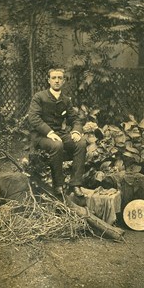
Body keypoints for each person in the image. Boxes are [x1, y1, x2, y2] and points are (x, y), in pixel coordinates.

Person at [28, 68, 87, 197]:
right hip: (41, 136)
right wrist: (49, 132)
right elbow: (33, 118)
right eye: (54, 78)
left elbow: (75, 119)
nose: (57, 81)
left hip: (59, 134)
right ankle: (58, 185)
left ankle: (75, 184)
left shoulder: (66, 100)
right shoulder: (39, 97)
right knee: (57, 145)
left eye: (60, 78)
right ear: (49, 80)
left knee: (81, 143)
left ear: (64, 81)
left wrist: (76, 131)